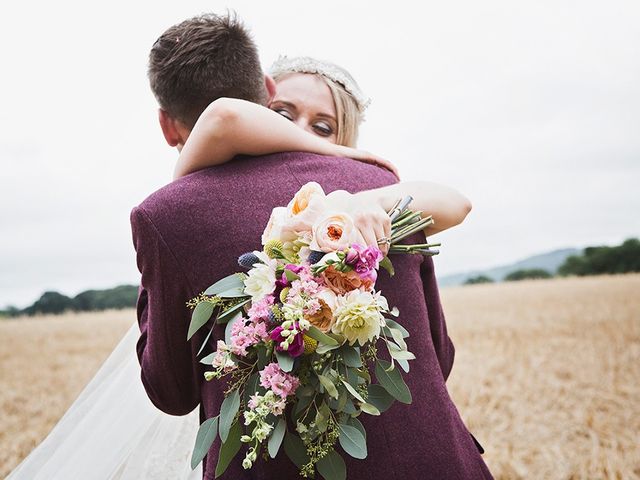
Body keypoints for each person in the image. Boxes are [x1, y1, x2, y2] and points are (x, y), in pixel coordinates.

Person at [132, 12, 492, 480]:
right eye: (288, 116)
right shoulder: (379, 182)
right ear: (267, 90)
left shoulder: (167, 213)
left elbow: (171, 390)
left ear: (165, 124)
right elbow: (437, 358)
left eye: (322, 125)